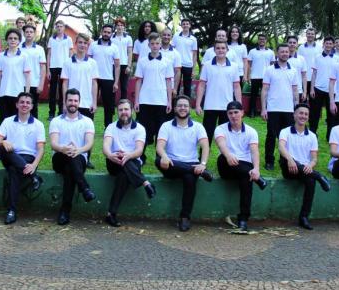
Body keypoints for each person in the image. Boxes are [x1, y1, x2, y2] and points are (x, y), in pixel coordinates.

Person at [155, 95, 212, 232]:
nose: (182, 108)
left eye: (185, 106)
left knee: (189, 179)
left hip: (191, 163)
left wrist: (203, 164)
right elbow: (159, 147)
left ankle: (185, 217)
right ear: (175, 108)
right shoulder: (166, 126)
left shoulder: (198, 127)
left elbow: (205, 146)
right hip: (171, 164)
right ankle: (194, 171)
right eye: (180, 105)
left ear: (189, 108)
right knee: (158, 160)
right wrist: (163, 156)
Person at [103, 98, 156, 227]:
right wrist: (111, 155)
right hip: (113, 161)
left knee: (124, 175)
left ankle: (111, 214)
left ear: (131, 111)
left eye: (126, 109)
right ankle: (145, 182)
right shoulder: (111, 127)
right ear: (117, 112)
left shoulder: (140, 128)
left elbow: (138, 151)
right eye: (120, 110)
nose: (124, 112)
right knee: (121, 160)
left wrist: (128, 155)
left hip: (132, 161)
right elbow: (106, 147)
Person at [214, 101, 267, 232]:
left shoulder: (251, 131)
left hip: (245, 167)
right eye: (230, 113)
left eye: (236, 112)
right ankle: (256, 178)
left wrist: (256, 169)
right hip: (226, 165)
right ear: (227, 114)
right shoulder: (220, 128)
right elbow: (221, 145)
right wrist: (228, 155)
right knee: (223, 158)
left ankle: (243, 219)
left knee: (247, 179)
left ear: (242, 113)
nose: (233, 115)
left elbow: (254, 151)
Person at [0, 92, 45, 225]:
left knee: (13, 171)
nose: (24, 105)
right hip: (9, 154)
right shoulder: (8, 121)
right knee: (1, 148)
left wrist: (33, 165)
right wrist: (3, 142)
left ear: (32, 106)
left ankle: (12, 211)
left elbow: (40, 149)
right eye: (22, 102)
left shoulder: (38, 124)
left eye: (28, 103)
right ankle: (34, 177)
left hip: (28, 159)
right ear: (16, 104)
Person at [278, 104, 331, 230]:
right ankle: (319, 176)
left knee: (311, 181)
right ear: (294, 115)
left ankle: (304, 217)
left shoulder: (312, 136)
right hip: (289, 168)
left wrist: (310, 165)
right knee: (290, 162)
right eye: (300, 113)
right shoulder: (285, 131)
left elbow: (314, 159)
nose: (303, 116)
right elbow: (281, 148)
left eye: (306, 114)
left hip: (305, 171)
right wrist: (290, 159)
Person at [49, 88, 96, 226]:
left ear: (79, 102)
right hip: (59, 157)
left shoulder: (87, 121)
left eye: (75, 100)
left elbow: (89, 144)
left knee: (71, 169)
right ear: (65, 101)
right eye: (70, 100)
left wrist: (78, 150)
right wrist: (64, 149)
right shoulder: (56, 121)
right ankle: (84, 188)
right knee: (70, 159)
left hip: (78, 158)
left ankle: (65, 212)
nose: (73, 103)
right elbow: (54, 144)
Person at [61, 32, 99, 168]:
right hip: (71, 103)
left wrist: (94, 102)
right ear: (75, 44)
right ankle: (68, 153)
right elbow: (65, 83)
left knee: (87, 131)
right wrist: (65, 103)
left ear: (88, 46)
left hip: (87, 103)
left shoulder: (93, 63)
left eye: (85, 43)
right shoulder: (67, 62)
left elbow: (94, 83)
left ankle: (86, 158)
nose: (82, 45)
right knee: (71, 130)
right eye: (80, 43)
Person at [195, 40, 242, 145]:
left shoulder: (234, 66)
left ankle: (225, 159)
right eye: (218, 48)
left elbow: (236, 86)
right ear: (214, 50)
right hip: (210, 106)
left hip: (227, 107)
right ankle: (203, 159)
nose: (221, 50)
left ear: (227, 50)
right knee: (207, 135)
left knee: (226, 136)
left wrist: (239, 105)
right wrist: (198, 105)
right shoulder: (207, 65)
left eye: (223, 48)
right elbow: (202, 85)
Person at [261, 44, 299, 170]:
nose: (284, 54)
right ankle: (269, 161)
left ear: (290, 53)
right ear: (277, 53)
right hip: (273, 109)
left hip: (288, 110)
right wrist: (263, 108)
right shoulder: (269, 70)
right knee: (271, 136)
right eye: (282, 51)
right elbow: (265, 90)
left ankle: (285, 160)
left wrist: (296, 109)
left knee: (287, 137)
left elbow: (295, 90)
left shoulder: (293, 70)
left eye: (286, 52)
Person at [134, 33, 173, 148]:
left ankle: (159, 155)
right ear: (149, 45)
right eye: (152, 44)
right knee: (143, 129)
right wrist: (136, 100)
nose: (155, 46)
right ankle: (141, 156)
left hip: (161, 100)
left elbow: (168, 81)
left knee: (160, 129)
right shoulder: (142, 61)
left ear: (160, 44)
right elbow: (138, 81)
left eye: (157, 43)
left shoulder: (167, 61)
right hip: (145, 100)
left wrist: (169, 101)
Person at [0, 28, 31, 123]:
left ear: (19, 41)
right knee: (4, 122)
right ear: (7, 40)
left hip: (17, 94)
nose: (13, 40)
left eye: (15, 38)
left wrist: (26, 95)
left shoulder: (24, 56)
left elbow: (28, 76)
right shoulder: (1, 56)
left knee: (17, 122)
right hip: (4, 94)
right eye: (10, 38)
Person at [88, 23, 121, 127]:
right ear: (102, 32)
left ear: (112, 34)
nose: (106, 34)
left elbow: (117, 66)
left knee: (109, 106)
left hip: (108, 79)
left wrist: (116, 82)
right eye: (105, 32)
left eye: (109, 32)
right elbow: (88, 62)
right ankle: (89, 126)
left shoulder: (115, 47)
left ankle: (108, 127)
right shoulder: (93, 45)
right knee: (91, 102)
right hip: (93, 78)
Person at [309, 38, 337, 136]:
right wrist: (312, 88)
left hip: (332, 90)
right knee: (314, 114)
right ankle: (312, 133)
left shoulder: (337, 58)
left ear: (333, 45)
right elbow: (314, 73)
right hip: (318, 88)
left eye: (330, 43)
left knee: (332, 115)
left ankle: (330, 135)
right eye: (327, 43)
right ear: (323, 44)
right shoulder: (317, 57)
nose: (328, 45)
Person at [47, 20, 72, 119]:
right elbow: (49, 54)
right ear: (55, 27)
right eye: (57, 26)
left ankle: (62, 111)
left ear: (64, 27)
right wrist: (48, 69)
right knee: (52, 92)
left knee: (63, 91)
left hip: (64, 68)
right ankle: (51, 113)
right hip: (53, 67)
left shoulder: (68, 39)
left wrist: (70, 67)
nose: (59, 28)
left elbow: (70, 54)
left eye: (61, 26)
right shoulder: (51, 39)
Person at [21, 24, 47, 119]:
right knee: (20, 107)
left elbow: (43, 67)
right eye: (27, 32)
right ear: (24, 33)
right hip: (20, 83)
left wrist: (41, 84)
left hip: (34, 83)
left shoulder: (40, 49)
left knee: (33, 107)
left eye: (31, 32)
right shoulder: (18, 47)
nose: (29, 34)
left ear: (34, 34)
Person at [246, 34, 274, 117]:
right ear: (258, 41)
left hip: (267, 77)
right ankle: (252, 112)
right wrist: (248, 76)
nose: (262, 41)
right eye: (260, 39)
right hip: (255, 76)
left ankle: (266, 111)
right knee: (253, 95)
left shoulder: (271, 52)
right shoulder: (252, 51)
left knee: (267, 95)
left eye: (263, 39)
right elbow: (249, 65)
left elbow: (272, 65)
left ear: (266, 40)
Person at [172, 19, 198, 97]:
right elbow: (172, 50)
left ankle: (187, 106)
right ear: (181, 25)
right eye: (183, 24)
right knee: (176, 86)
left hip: (188, 65)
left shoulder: (193, 39)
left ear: (189, 26)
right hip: (177, 65)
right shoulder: (176, 36)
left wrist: (193, 70)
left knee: (187, 87)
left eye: (187, 24)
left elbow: (194, 54)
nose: (185, 25)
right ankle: (174, 105)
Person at [112, 17, 133, 101]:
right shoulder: (111, 38)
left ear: (124, 27)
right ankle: (112, 107)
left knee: (124, 87)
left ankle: (123, 104)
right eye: (118, 25)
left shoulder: (128, 38)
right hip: (113, 65)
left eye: (121, 25)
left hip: (124, 64)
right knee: (113, 86)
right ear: (115, 26)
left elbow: (130, 52)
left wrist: (129, 66)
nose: (120, 27)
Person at [159, 27, 182, 102]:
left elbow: (177, 72)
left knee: (169, 110)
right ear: (161, 36)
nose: (166, 37)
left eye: (168, 35)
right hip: (156, 86)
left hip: (170, 87)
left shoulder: (176, 53)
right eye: (164, 35)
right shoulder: (154, 51)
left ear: (171, 37)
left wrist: (175, 88)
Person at [286, 35, 308, 101]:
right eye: (290, 42)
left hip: (298, 91)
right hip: (284, 91)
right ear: (287, 44)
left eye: (294, 43)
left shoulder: (301, 59)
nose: (292, 44)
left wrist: (305, 92)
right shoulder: (281, 58)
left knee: (298, 111)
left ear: (297, 44)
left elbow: (304, 76)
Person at [299, 28, 320, 98]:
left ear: (315, 35)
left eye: (312, 34)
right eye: (308, 34)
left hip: (315, 79)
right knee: (303, 101)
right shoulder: (301, 48)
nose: (310, 35)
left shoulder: (320, 48)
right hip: (303, 78)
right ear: (306, 35)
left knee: (314, 103)